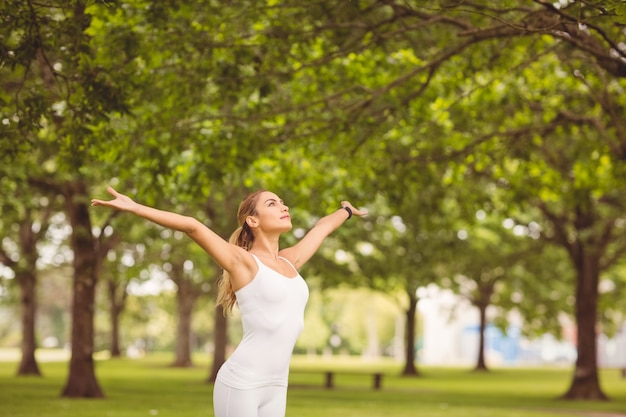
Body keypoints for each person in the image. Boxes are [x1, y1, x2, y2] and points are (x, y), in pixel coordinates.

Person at [91, 186, 366, 417]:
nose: (284, 207)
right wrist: (134, 207)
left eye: (282, 202)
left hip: (277, 384)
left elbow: (322, 227)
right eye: (272, 203)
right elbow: (192, 227)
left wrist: (346, 211)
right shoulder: (242, 262)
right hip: (241, 382)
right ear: (252, 220)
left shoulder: (289, 261)